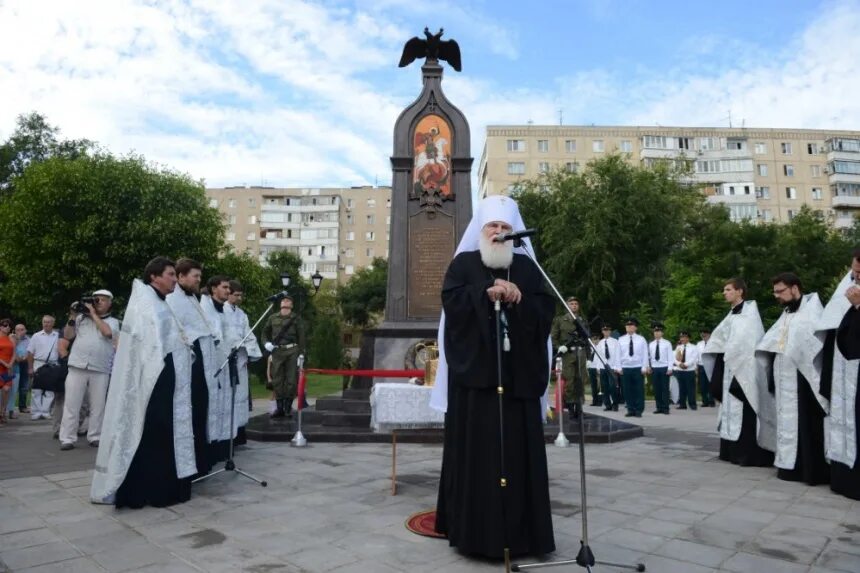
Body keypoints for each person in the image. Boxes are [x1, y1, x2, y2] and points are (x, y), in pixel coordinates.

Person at [431, 195, 555, 560]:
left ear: (514, 234)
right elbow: (452, 306)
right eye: (493, 227)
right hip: (476, 387)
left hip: (516, 384)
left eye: (505, 228)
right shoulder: (463, 265)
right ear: (481, 231)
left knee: (519, 457)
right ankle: (475, 535)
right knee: (477, 459)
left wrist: (520, 298)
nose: (499, 233)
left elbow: (544, 313)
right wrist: (483, 295)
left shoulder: (529, 269)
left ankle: (523, 536)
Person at [91, 256, 197, 508]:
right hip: (154, 380)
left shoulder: (162, 302)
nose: (174, 279)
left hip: (169, 379)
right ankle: (150, 490)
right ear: (154, 276)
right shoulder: (144, 304)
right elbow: (147, 347)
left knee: (165, 432)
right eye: (170, 274)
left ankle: (168, 487)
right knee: (154, 431)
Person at [756, 272, 829, 485]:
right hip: (784, 377)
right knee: (787, 422)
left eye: (780, 291)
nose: (776, 295)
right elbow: (773, 342)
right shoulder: (786, 314)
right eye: (775, 291)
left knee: (806, 424)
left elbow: (814, 347)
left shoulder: (812, 313)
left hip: (803, 380)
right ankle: (788, 465)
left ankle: (809, 470)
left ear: (795, 288)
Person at [702, 278, 775, 467]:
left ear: (740, 291)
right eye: (724, 289)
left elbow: (745, 345)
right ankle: (730, 452)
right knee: (730, 411)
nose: (724, 293)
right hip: (729, 370)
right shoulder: (732, 315)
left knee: (744, 411)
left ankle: (746, 454)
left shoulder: (749, 315)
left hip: (743, 373)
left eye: (728, 289)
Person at [166, 258, 220, 479]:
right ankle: (189, 464)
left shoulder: (194, 299)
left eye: (199, 276)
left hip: (202, 367)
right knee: (190, 412)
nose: (199, 280)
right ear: (180, 276)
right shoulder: (172, 300)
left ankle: (200, 461)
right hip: (187, 365)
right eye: (195, 276)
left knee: (201, 411)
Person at [816, 250, 860, 499]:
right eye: (853, 271)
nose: (854, 277)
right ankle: (845, 479)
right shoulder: (851, 288)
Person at [59, 290, 120, 450]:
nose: (98, 302)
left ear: (110, 303)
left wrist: (93, 313)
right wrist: (72, 316)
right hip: (77, 366)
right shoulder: (80, 318)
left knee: (98, 405)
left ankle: (95, 435)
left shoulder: (113, 322)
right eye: (96, 299)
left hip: (100, 368)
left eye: (102, 300)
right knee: (71, 404)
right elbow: (68, 335)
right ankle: (67, 438)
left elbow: (107, 333)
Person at [224, 280, 262, 444]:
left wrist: (248, 349)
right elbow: (224, 334)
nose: (239, 298)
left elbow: (249, 334)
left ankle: (239, 432)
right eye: (236, 295)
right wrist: (235, 344)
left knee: (240, 396)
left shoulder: (242, 314)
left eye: (241, 295)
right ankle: (227, 433)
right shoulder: (222, 311)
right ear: (229, 294)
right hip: (228, 358)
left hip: (241, 358)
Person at [262, 296, 306, 419]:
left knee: (291, 380)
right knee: (277, 379)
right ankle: (279, 407)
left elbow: (301, 336)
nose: (285, 301)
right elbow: (264, 332)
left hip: (292, 350)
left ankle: (287, 408)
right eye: (283, 300)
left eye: (288, 300)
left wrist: (301, 354)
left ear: (291, 305)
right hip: (277, 351)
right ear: (280, 304)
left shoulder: (296, 318)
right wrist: (266, 343)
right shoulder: (272, 317)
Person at [551, 296, 590, 418]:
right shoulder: (560, 320)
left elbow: (587, 339)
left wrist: (589, 357)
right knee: (569, 381)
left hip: (581, 353)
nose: (574, 305)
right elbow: (553, 337)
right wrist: (559, 347)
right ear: (567, 305)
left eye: (576, 304)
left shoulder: (582, 320)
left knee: (580, 380)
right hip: (567, 354)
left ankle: (579, 408)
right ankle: (571, 408)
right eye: (571, 303)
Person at [27, 315, 60, 420]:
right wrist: (30, 368)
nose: (46, 324)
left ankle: (45, 411)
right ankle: (36, 412)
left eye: (48, 322)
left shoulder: (57, 336)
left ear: (53, 323)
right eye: (44, 322)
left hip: (52, 364)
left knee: (50, 390)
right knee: (37, 389)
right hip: (38, 364)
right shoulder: (36, 336)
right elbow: (30, 353)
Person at [617, 318, 648, 417]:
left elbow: (645, 354)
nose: (629, 327)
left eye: (631, 325)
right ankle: (630, 409)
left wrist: (644, 367)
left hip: (637, 367)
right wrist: (618, 367)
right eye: (627, 326)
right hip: (625, 367)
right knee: (627, 390)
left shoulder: (641, 339)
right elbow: (617, 354)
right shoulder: (621, 339)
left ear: (635, 328)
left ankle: (638, 410)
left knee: (638, 389)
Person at [648, 323, 673, 414]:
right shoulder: (651, 344)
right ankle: (659, 407)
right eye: (655, 331)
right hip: (655, 368)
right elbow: (649, 357)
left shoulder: (667, 343)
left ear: (662, 333)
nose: (657, 333)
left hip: (664, 367)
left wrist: (670, 368)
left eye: (658, 331)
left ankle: (666, 408)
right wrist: (649, 366)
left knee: (664, 388)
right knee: (657, 389)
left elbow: (670, 356)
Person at [594, 325, 621, 411]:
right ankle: (607, 404)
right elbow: (598, 356)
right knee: (604, 387)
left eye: (608, 330)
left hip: (612, 367)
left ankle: (615, 404)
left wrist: (617, 366)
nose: (606, 332)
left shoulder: (615, 342)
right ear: (602, 332)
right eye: (604, 330)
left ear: (610, 331)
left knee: (613, 386)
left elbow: (618, 355)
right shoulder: (600, 343)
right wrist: (598, 367)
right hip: (602, 367)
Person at [674, 330, 699, 411]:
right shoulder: (678, 347)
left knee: (690, 388)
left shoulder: (693, 347)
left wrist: (686, 364)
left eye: (684, 337)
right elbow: (674, 358)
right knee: (681, 388)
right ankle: (682, 404)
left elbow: (693, 358)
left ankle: (692, 404)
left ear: (688, 338)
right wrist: (679, 364)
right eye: (681, 337)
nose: (682, 339)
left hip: (689, 371)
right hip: (680, 370)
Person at [0, 319, 15, 424]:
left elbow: (14, 353)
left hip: (9, 368)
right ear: (0, 326)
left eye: (9, 326)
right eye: (5, 325)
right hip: (1, 366)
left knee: (6, 390)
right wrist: (5, 364)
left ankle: (3, 412)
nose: (7, 327)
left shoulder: (11, 338)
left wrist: (10, 364)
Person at [14, 324, 30, 415]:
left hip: (25, 363)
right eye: (18, 330)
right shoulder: (12, 339)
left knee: (24, 386)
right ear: (15, 331)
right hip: (14, 363)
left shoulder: (29, 340)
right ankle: (10, 408)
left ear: (26, 330)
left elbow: (31, 351)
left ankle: (22, 406)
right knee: (12, 386)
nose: (20, 331)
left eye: (22, 329)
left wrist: (25, 358)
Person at [696, 329, 715, 407]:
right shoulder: (699, 344)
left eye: (705, 334)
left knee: (711, 384)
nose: (703, 336)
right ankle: (705, 401)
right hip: (701, 365)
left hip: (711, 365)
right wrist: (696, 366)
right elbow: (696, 355)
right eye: (702, 334)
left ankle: (711, 401)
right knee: (703, 385)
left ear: (709, 335)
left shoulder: (713, 343)